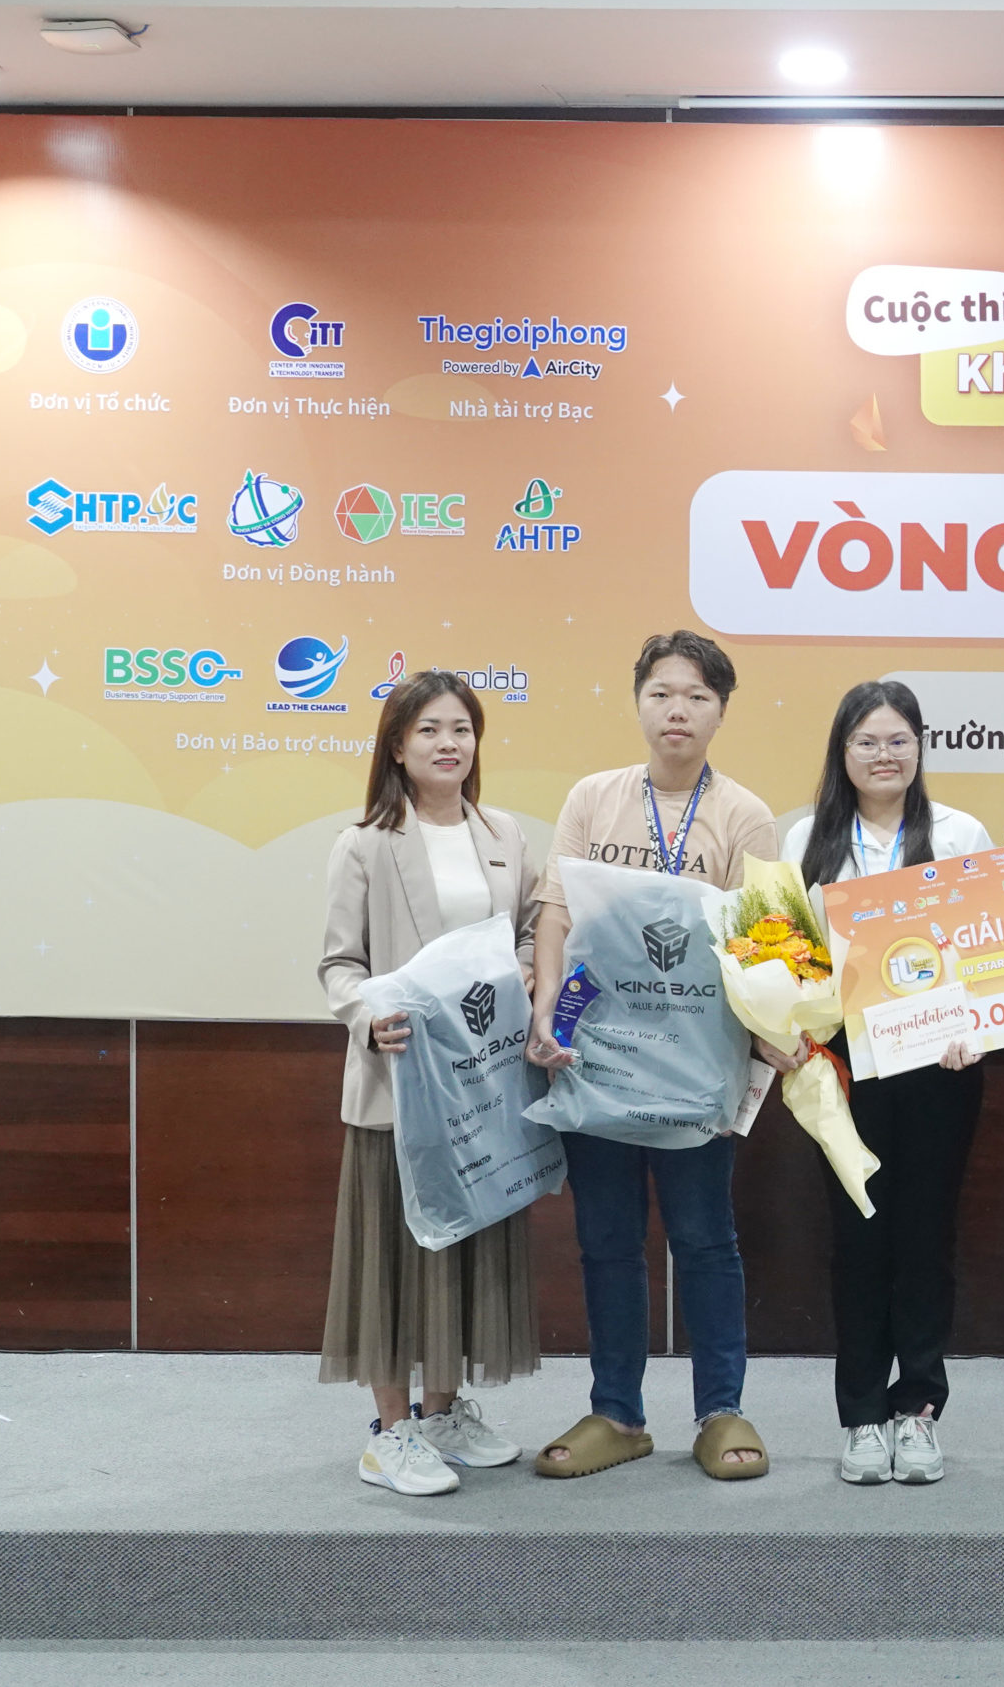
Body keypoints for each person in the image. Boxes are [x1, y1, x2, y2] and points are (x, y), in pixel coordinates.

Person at [524, 631, 782, 1482]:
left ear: (721, 712)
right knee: (606, 1238)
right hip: (596, 1059)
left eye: (698, 696)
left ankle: (721, 1411)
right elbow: (556, 912)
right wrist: (545, 1014)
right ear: (638, 703)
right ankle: (618, 1414)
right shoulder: (594, 798)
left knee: (705, 1239)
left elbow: (763, 944)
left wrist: (774, 1040)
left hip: (697, 1066)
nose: (679, 710)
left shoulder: (743, 815)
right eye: (662, 693)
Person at [318, 670, 539, 1496]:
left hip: (483, 1085)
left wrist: (525, 973)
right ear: (398, 747)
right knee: (393, 1255)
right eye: (430, 731)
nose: (449, 744)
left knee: (466, 1247)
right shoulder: (365, 844)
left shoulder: (505, 834)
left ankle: (442, 1414)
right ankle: (391, 1433)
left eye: (462, 730)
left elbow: (529, 934)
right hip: (401, 1085)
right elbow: (338, 965)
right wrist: (368, 1014)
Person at [777, 680, 994, 1487]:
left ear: (920, 748)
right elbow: (783, 953)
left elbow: (986, 947)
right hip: (843, 1068)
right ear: (842, 752)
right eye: (867, 741)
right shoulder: (807, 839)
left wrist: (974, 1028)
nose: (884, 755)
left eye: (899, 740)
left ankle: (918, 1410)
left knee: (926, 1238)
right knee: (858, 1237)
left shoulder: (959, 833)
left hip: (941, 1064)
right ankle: (863, 1416)